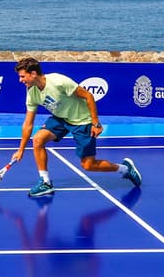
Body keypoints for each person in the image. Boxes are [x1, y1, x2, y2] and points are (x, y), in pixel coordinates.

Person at [11, 56, 141, 197]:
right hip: (61, 118)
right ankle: (45, 182)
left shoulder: (58, 81)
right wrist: (21, 149)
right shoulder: (32, 93)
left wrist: (95, 123)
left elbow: (88, 96)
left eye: (22, 76)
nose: (20, 80)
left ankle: (125, 169)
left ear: (33, 74)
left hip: (82, 121)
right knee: (38, 140)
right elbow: (28, 124)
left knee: (88, 165)